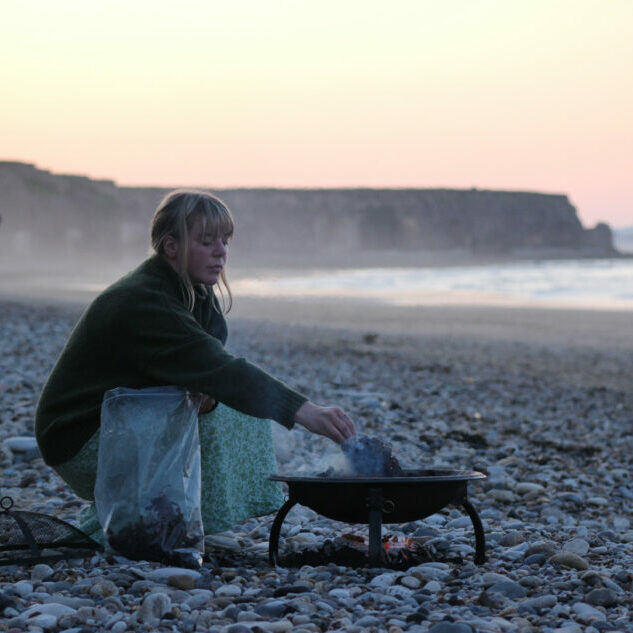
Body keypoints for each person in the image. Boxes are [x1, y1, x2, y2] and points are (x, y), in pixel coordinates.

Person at [35, 189, 356, 536]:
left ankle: (179, 520)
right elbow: (220, 368)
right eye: (206, 241)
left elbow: (211, 361)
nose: (221, 252)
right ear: (171, 247)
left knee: (224, 402)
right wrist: (305, 411)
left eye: (225, 241)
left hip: (118, 421)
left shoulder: (193, 291)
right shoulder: (142, 300)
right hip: (78, 440)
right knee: (233, 408)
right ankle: (140, 524)